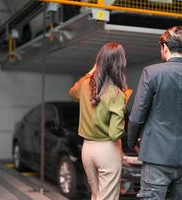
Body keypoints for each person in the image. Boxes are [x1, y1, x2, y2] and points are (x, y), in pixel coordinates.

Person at [127, 26, 182, 200]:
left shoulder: (151, 73)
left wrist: (133, 143)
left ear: (164, 47)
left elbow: (136, 118)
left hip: (155, 156)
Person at [69, 42, 132, 200]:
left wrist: (91, 72)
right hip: (107, 150)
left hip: (87, 150)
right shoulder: (116, 94)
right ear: (119, 64)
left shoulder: (85, 86)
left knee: (95, 196)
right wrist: (123, 103)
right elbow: (115, 132)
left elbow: (72, 92)